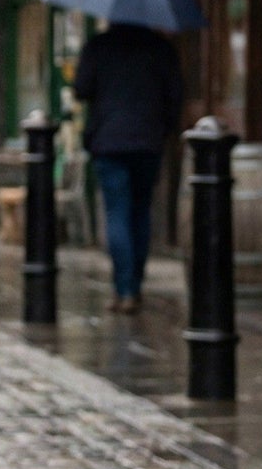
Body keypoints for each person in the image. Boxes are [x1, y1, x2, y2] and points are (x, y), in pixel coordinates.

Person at [72, 22, 183, 314]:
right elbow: (176, 95)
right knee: (140, 212)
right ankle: (135, 285)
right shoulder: (160, 48)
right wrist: (163, 130)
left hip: (109, 141)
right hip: (147, 141)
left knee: (117, 213)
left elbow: (81, 88)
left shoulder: (99, 45)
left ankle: (124, 289)